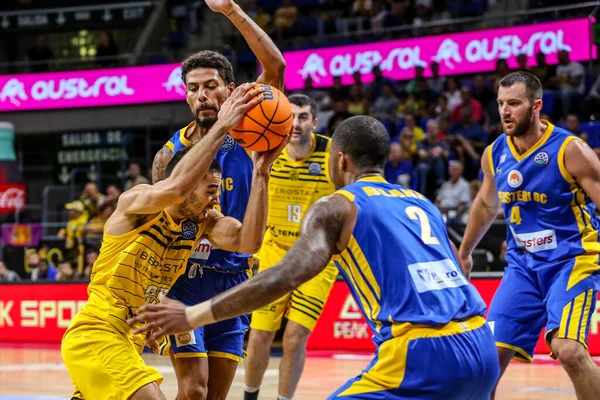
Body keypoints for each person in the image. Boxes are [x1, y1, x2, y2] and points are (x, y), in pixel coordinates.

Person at [131, 115, 501, 400]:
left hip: (422, 351)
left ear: (339, 160)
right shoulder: (422, 201)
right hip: (481, 345)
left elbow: (282, 277)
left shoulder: (337, 206)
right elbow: (459, 265)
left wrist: (191, 315)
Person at [61, 83, 281, 400]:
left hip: (129, 341)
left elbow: (248, 243)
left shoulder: (204, 223)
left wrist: (262, 174)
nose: (216, 199)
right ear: (188, 185)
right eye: (210, 190)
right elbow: (175, 190)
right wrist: (222, 125)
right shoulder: (137, 204)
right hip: (97, 333)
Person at [150, 0, 286, 399]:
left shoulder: (249, 132)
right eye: (193, 89)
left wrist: (230, 11)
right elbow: (158, 221)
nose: (202, 95)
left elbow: (275, 68)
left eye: (210, 86)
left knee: (215, 395)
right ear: (185, 96)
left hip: (233, 278)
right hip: (182, 280)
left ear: (230, 90)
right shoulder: (169, 154)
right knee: (193, 389)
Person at [457, 71, 600, 399]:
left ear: (536, 106)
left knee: (570, 351)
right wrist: (465, 252)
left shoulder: (570, 150)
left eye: (514, 104)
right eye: (501, 104)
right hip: (522, 266)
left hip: (572, 260)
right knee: (484, 364)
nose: (505, 112)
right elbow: (485, 203)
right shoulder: (495, 153)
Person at [243, 95, 338, 400]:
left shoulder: (335, 155)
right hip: (275, 252)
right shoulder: (266, 147)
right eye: (291, 116)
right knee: (259, 336)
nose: (295, 123)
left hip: (316, 258)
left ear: (315, 122)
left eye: (303, 117)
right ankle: (250, 397)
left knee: (295, 339)